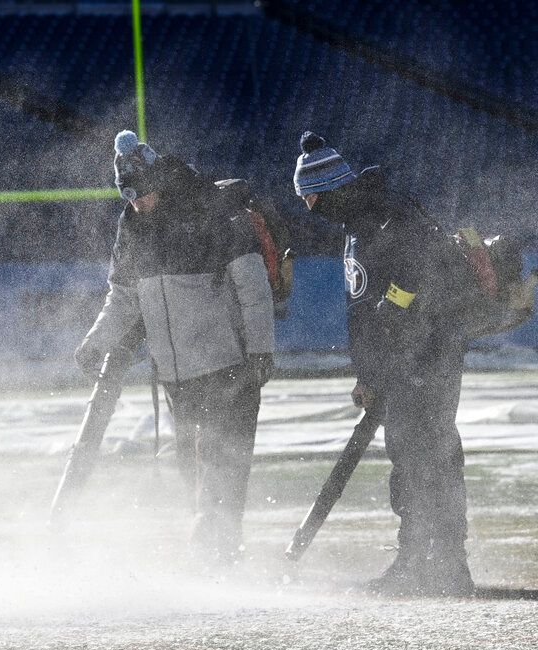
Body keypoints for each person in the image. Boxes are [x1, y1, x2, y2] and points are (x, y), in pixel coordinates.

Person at [75, 130, 276, 564]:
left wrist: (260, 349)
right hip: (177, 377)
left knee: (223, 465)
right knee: (193, 470)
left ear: (159, 182)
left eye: (143, 194)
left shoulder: (209, 209)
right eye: (129, 197)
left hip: (227, 365)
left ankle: (218, 551)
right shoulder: (132, 224)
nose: (138, 204)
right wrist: (96, 342)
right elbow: (124, 296)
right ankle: (216, 551)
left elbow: (252, 283)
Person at [293, 131, 474, 597]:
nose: (309, 208)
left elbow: (415, 278)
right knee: (413, 457)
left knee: (428, 455)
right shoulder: (358, 225)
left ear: (329, 188)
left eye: (310, 197)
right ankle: (425, 560)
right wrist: (369, 373)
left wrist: (394, 312)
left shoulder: (389, 215)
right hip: (398, 362)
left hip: (425, 357)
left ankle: (440, 565)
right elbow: (366, 306)